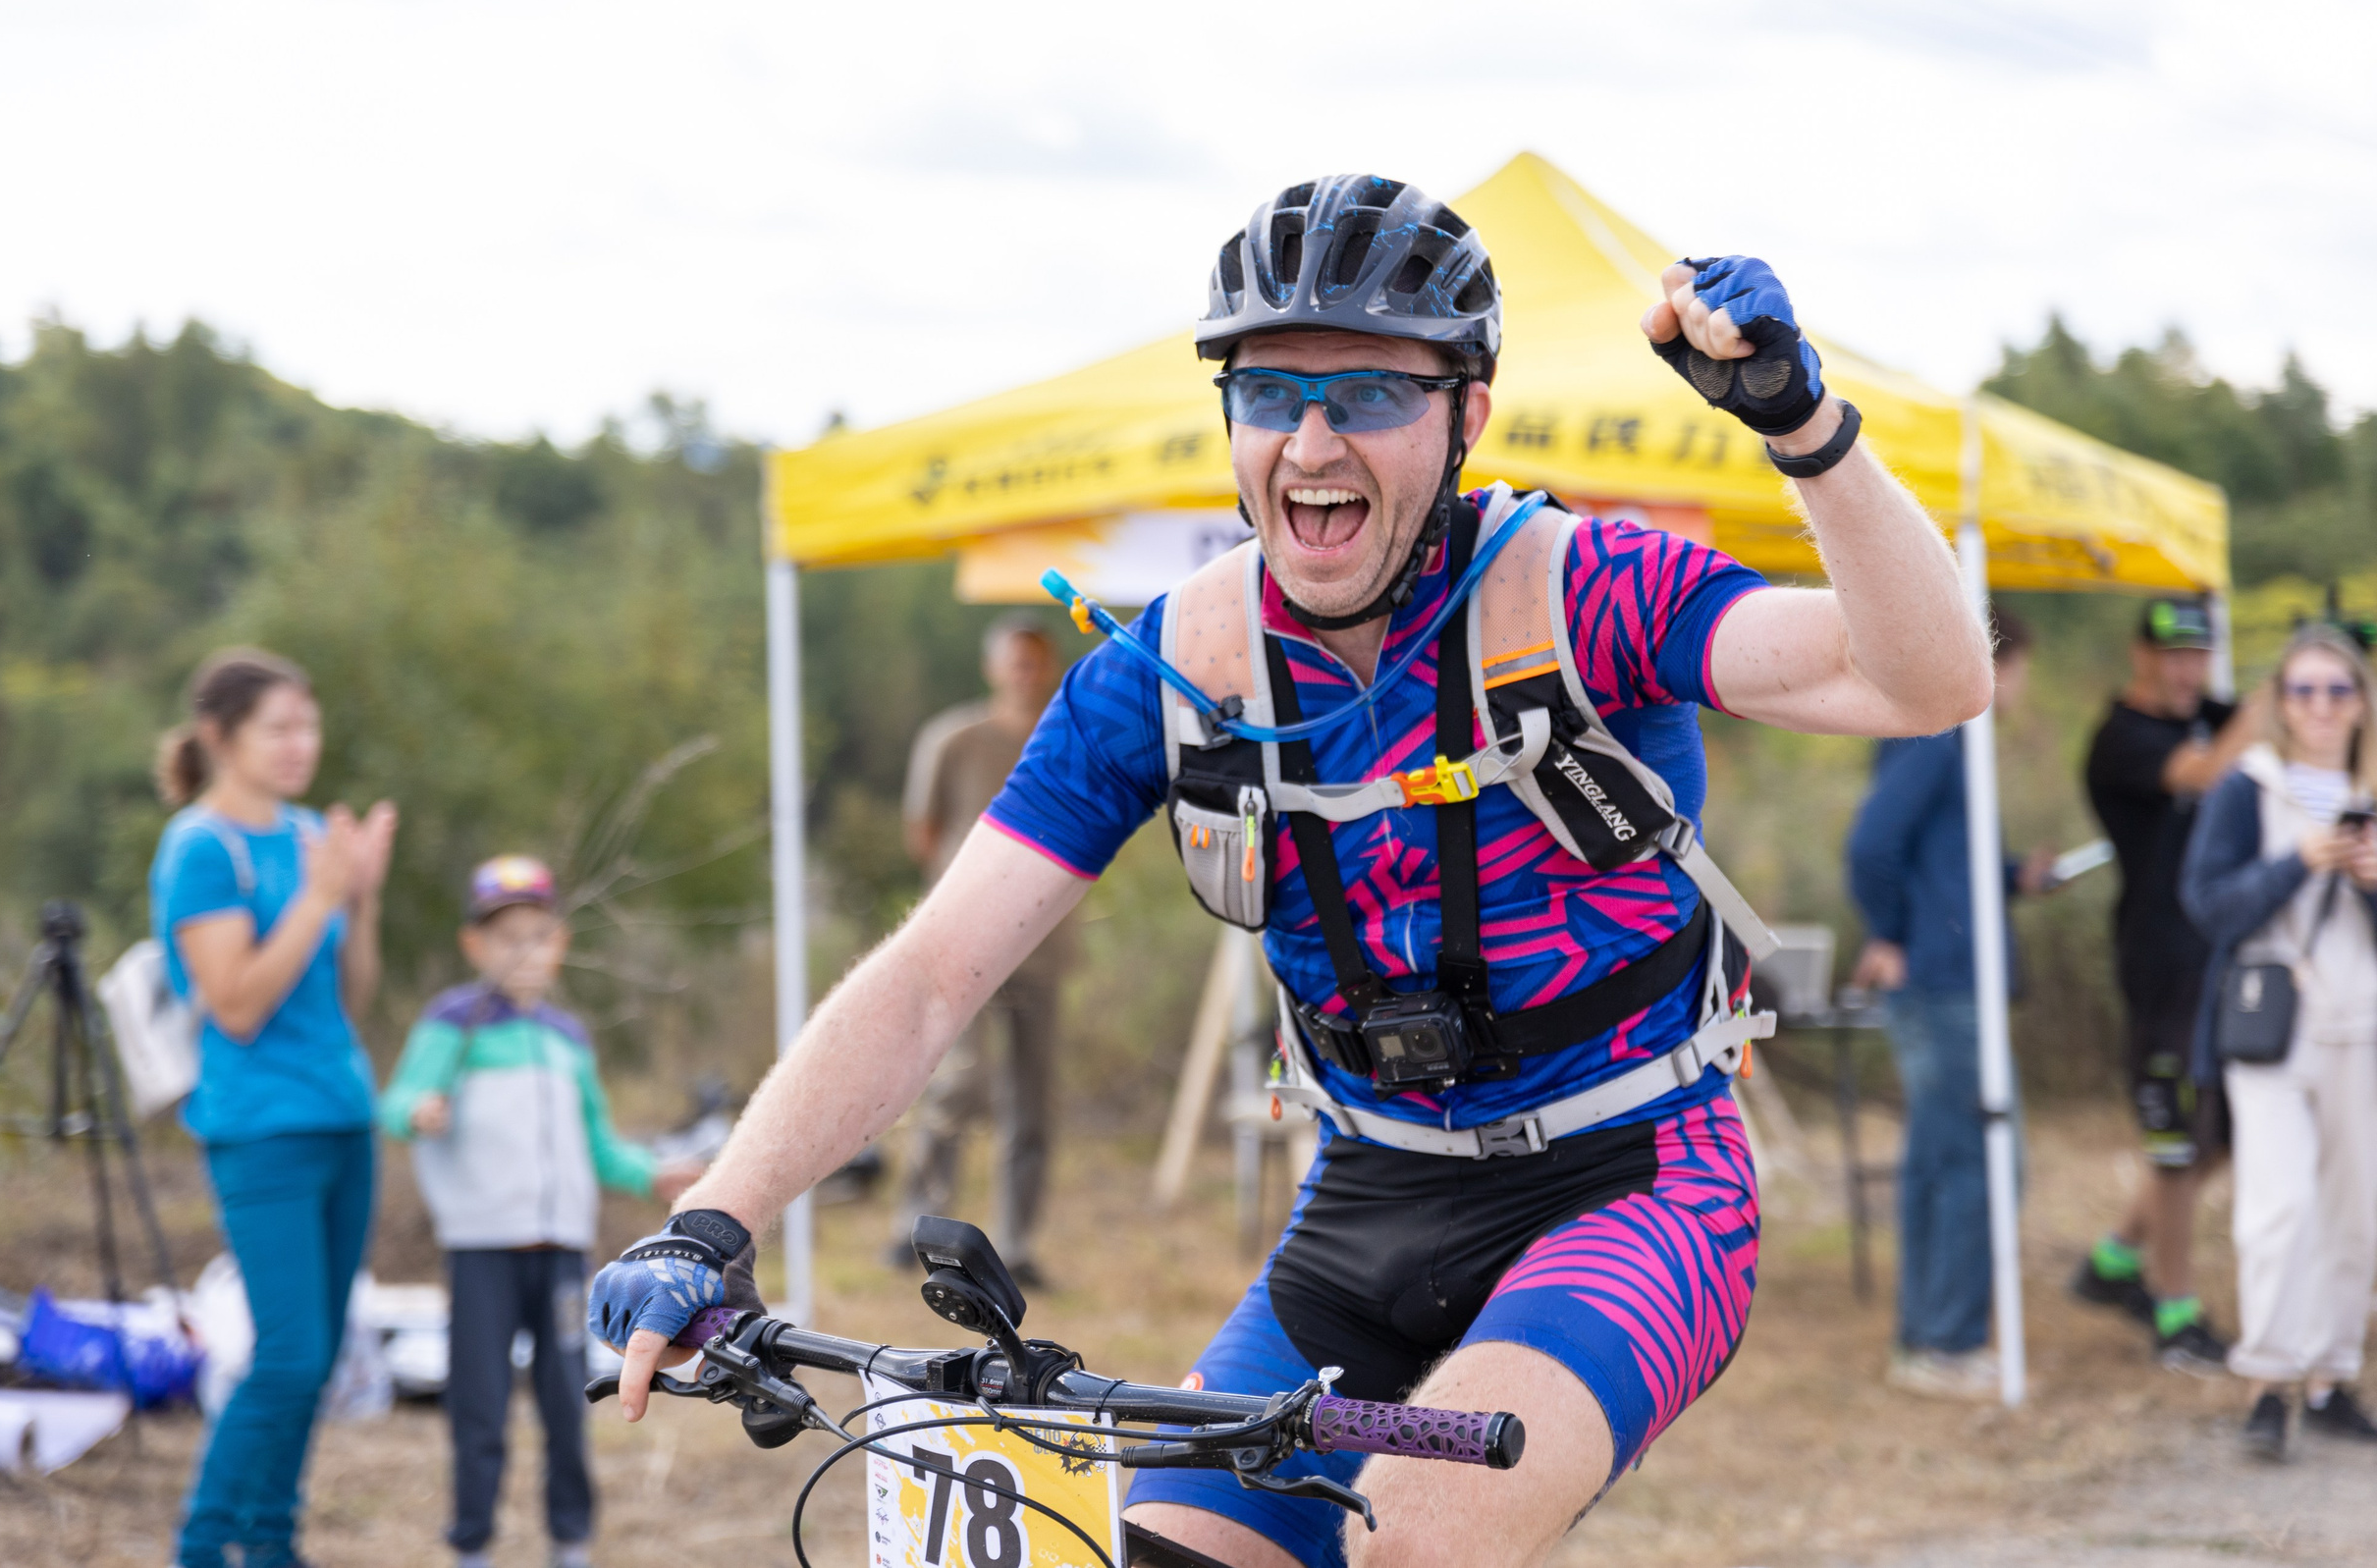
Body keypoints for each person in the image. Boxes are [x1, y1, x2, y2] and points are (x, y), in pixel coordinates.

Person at [588, 177, 1993, 1568]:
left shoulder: (1585, 589)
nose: (1312, 443)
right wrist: (711, 1221)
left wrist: (1803, 427)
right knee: (1165, 1555)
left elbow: (1929, 681)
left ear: (1466, 414)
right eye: (1270, 393)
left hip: (1631, 1178)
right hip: (1369, 1196)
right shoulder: (1167, 670)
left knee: (1415, 1534)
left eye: (1369, 393)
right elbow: (932, 971)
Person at [380, 856, 699, 1568]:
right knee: (481, 1404)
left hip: (561, 1255)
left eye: (537, 936)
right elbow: (396, 1103)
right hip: (481, 1251)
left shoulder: (567, 1039)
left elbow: (598, 1145)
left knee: (567, 1399)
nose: (522, 952)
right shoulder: (451, 1024)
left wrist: (650, 1173)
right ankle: (472, 1543)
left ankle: (570, 1539)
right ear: (475, 945)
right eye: (506, 938)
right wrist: (418, 1110)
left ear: (560, 944)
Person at [151, 647, 397, 1568]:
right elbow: (238, 1004)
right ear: (220, 736)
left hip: (344, 1117)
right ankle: (202, 1545)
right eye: (279, 728)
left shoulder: (308, 833)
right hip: (261, 1131)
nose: (301, 744)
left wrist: (360, 901)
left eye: (309, 725)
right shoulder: (201, 848)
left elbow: (351, 994)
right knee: (287, 1355)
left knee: (318, 1358)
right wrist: (321, 892)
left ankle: (272, 1543)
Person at [1845, 610, 2053, 1398]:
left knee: (1940, 1160)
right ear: (1995, 662)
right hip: (1943, 984)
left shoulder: (1941, 734)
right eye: (2018, 670)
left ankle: (1926, 1338)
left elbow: (1941, 861)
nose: (2019, 689)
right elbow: (1872, 844)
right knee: (1981, 1159)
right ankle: (1947, 1340)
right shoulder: (1938, 730)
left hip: (1949, 976)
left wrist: (2010, 876)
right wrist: (1891, 933)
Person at [2182, 624, 2377, 1462]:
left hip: (2361, 1025)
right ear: (2281, 702)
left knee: (2356, 1210)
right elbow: (2206, 903)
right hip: (2272, 1023)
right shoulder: (2247, 787)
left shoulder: (2369, 789)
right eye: (2304, 690)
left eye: (2337, 689)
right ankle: (2268, 1380)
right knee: (2279, 1205)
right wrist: (2299, 860)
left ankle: (2332, 1374)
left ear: (2361, 701)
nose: (2321, 706)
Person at [2072, 596, 2255, 1370]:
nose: (2188, 672)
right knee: (2177, 1142)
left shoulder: (2210, 713)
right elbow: (2207, 774)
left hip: (2220, 960)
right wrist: (2274, 696)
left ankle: (2114, 1260)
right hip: (2160, 966)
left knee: (2226, 1137)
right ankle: (2176, 1313)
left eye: (2199, 656)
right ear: (2141, 655)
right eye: (2174, 655)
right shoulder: (2123, 737)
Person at [885, 615, 1078, 1285]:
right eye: (1015, 662)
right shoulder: (954, 739)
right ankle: (915, 1225)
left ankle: (1016, 1246)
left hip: (1043, 944)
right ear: (994, 667)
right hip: (965, 943)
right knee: (956, 1085)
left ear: (1049, 668)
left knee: (1032, 1101)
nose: (1026, 674)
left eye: (1036, 662)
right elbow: (923, 832)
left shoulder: (1065, 740)